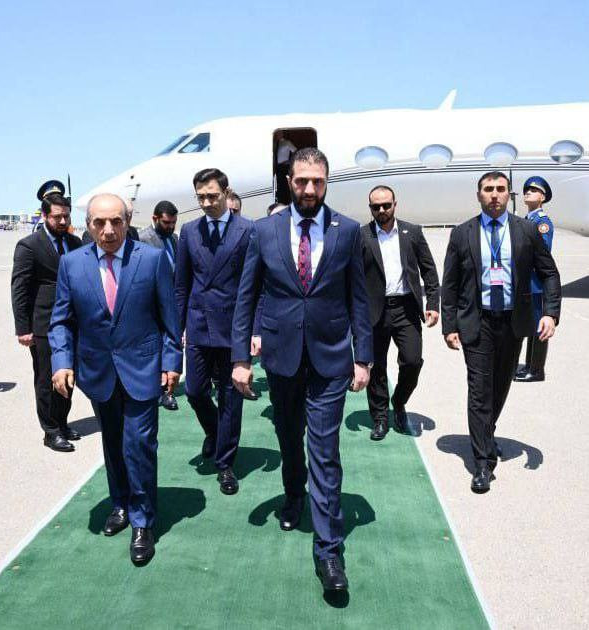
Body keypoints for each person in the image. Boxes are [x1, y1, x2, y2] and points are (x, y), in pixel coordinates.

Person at [231, 148, 372, 593]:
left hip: (330, 359)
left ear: (327, 182)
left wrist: (363, 357)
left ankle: (329, 551)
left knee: (325, 451)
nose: (310, 189)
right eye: (301, 181)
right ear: (288, 182)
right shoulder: (263, 231)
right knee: (290, 438)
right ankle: (294, 494)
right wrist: (240, 358)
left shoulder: (348, 231)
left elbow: (359, 298)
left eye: (317, 181)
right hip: (282, 357)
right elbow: (247, 296)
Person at [49, 193, 181, 565]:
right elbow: (61, 320)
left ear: (127, 221)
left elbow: (170, 317)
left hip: (143, 368)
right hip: (98, 371)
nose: (108, 230)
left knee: (139, 444)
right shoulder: (71, 264)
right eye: (99, 223)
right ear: (88, 225)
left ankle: (143, 520)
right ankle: (120, 502)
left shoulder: (151, 259)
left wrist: (172, 362)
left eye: (116, 222)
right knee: (112, 441)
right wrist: (61, 361)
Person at [441, 171, 560, 493]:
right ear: (479, 194)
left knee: (500, 386)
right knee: (479, 390)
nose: (494, 194)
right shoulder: (463, 233)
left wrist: (550, 313)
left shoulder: (527, 230)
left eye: (500, 189)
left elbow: (549, 273)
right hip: (477, 322)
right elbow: (450, 283)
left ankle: (486, 432)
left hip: (512, 322)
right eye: (488, 189)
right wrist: (449, 326)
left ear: (509, 194)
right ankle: (482, 463)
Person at [176, 169, 255, 495]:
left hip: (233, 327)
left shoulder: (247, 230)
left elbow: (256, 286)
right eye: (201, 197)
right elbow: (181, 284)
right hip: (198, 325)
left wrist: (255, 331)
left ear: (226, 192)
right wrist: (177, 327)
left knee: (230, 398)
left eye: (212, 196)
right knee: (195, 391)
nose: (207, 202)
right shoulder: (189, 231)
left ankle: (225, 464)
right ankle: (214, 432)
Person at [360, 186, 440, 440]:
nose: (382, 210)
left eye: (386, 205)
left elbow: (429, 270)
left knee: (412, 361)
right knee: (376, 367)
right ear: (370, 208)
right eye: (376, 207)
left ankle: (399, 400)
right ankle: (380, 417)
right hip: (374, 311)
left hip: (406, 308)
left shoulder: (412, 232)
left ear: (395, 204)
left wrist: (433, 303)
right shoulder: (361, 236)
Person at [11, 193, 82, 452]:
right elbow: (19, 288)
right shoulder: (29, 245)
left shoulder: (75, 242)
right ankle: (50, 431)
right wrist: (23, 328)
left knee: (68, 374)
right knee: (45, 379)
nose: (62, 221)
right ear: (44, 216)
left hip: (73, 322)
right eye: (56, 217)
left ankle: (62, 422)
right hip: (43, 324)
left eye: (66, 216)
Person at [138, 200, 180, 411]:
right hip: (151, 303)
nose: (170, 227)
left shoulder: (174, 238)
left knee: (170, 345)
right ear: (155, 219)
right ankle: (154, 389)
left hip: (171, 302)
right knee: (153, 348)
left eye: (173, 223)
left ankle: (167, 392)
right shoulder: (143, 239)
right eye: (166, 223)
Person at [515, 176, 554, 383]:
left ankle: (537, 370)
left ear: (542, 197)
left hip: (535, 283)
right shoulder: (527, 220)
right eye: (526, 190)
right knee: (531, 324)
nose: (528, 192)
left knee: (539, 326)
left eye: (534, 190)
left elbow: (541, 252)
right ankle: (529, 365)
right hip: (525, 283)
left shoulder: (542, 223)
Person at [274, 132, 297, 204]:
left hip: (284, 167)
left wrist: (290, 161)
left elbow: (295, 151)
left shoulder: (287, 142)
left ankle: (287, 202)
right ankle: (281, 201)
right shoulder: (276, 144)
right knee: (279, 185)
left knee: (285, 185)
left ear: (282, 134)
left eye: (278, 134)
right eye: (276, 134)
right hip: (278, 167)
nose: (277, 136)